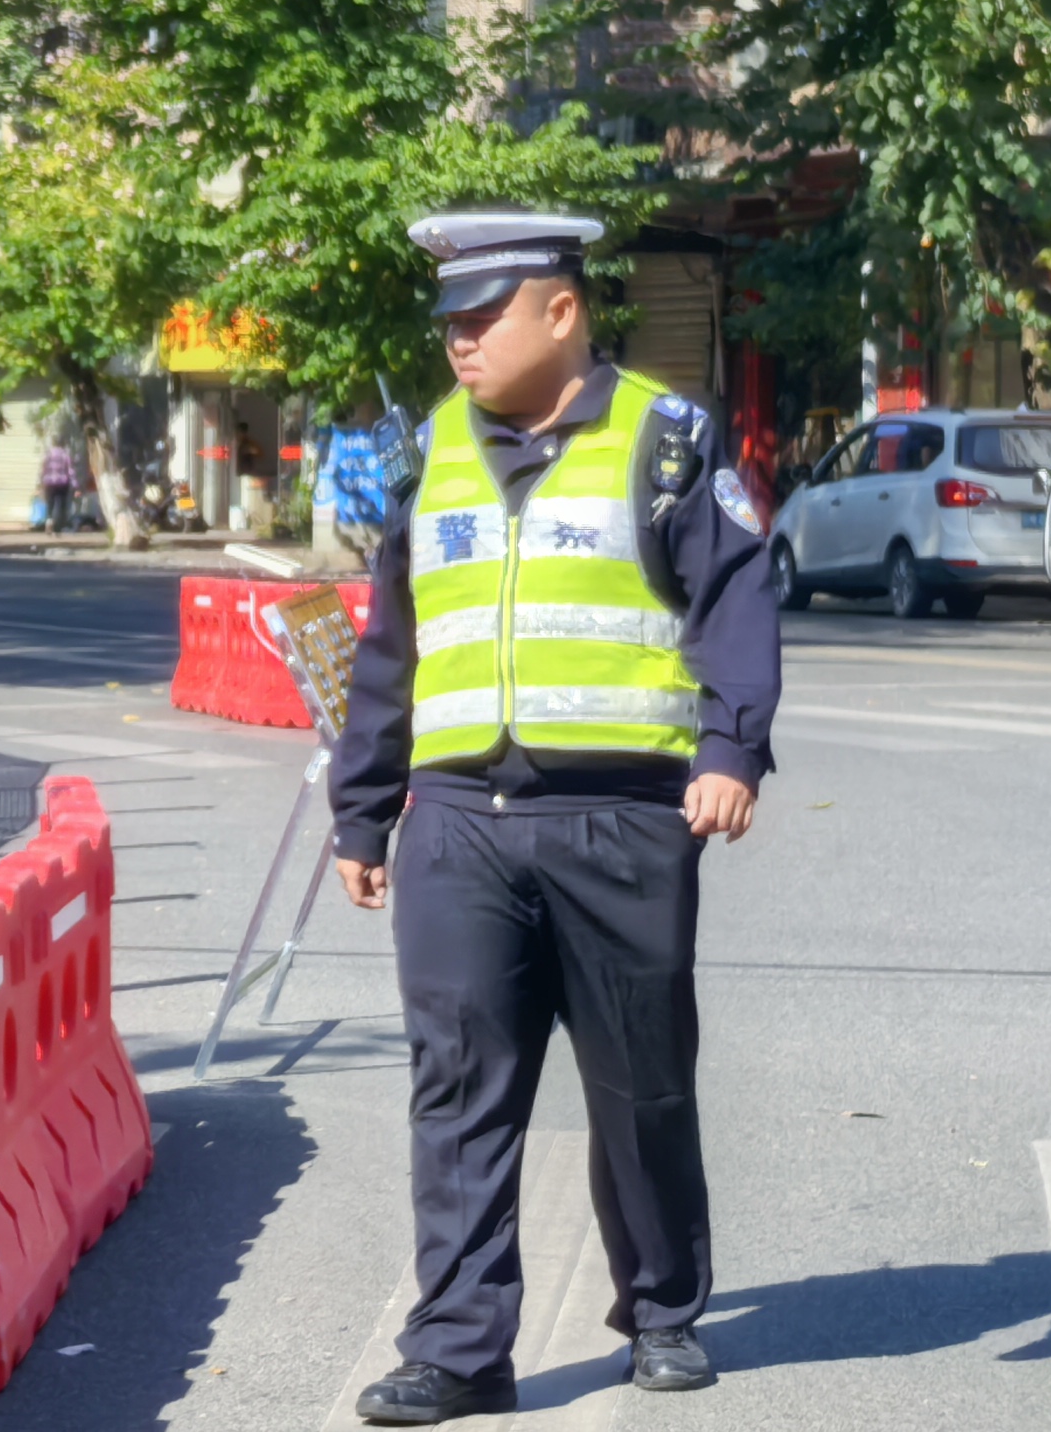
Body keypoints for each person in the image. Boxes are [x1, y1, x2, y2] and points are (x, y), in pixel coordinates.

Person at [334, 212, 779, 1423]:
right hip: (456, 822)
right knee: (459, 1087)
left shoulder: (665, 440)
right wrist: (362, 811)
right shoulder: (427, 452)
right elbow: (393, 643)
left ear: (562, 312)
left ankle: (663, 1309)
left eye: (483, 319)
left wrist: (732, 747)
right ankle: (460, 1346)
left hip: (624, 815)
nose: (460, 343)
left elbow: (736, 595)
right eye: (449, 324)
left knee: (641, 1082)